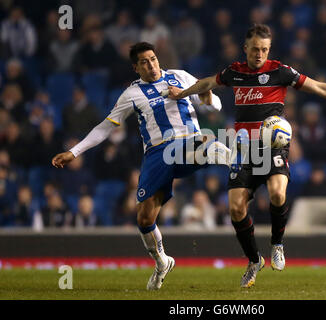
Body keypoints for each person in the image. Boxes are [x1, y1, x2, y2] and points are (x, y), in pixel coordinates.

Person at [169, 23, 326, 288]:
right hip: (244, 150)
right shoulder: (234, 72)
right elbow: (206, 82)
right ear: (245, 48)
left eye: (265, 49)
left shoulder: (280, 71)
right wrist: (183, 93)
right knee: (236, 208)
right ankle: (253, 260)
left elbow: (319, 88)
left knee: (278, 193)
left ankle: (277, 244)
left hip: (273, 147)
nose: (260, 54)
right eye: (255, 49)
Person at [52, 42, 235, 290]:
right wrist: (74, 151)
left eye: (153, 59)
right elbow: (106, 127)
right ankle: (162, 262)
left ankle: (237, 163)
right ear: (136, 68)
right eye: (144, 62)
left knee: (205, 140)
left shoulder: (180, 77)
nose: (151, 65)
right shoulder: (132, 94)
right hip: (156, 154)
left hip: (186, 142)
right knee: (145, 217)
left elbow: (215, 106)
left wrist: (207, 96)